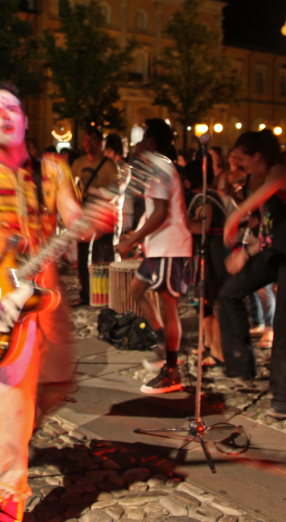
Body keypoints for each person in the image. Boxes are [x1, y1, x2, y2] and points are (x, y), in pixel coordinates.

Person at [0, 82, 104, 522]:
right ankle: (5, 501)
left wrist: (93, 219)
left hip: (47, 298)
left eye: (13, 107)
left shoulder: (53, 170)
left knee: (51, 390)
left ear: (27, 119)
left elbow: (73, 218)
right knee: (12, 402)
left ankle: (0, 448)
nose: (7, 115)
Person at [217, 129, 286, 419]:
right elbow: (266, 229)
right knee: (229, 292)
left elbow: (266, 198)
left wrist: (236, 216)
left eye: (242, 159)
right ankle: (242, 365)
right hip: (276, 252)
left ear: (257, 156)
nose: (240, 165)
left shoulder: (280, 172)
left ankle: (285, 399)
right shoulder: (258, 180)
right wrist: (245, 251)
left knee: (284, 322)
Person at [116, 119, 193, 394]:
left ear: (150, 143)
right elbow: (153, 212)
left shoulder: (159, 168)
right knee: (137, 290)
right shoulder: (158, 168)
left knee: (168, 308)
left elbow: (160, 214)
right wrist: (135, 237)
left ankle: (172, 371)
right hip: (157, 247)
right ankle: (164, 344)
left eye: (140, 138)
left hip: (169, 247)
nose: (136, 145)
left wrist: (131, 241)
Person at [184, 158, 225, 367]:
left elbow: (203, 226)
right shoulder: (207, 196)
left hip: (211, 256)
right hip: (209, 254)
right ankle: (207, 343)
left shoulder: (205, 200)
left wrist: (180, 220)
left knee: (210, 301)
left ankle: (217, 350)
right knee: (204, 303)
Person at [71, 128, 118, 306]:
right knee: (83, 257)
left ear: (100, 143)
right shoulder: (78, 163)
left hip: (103, 218)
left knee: (104, 256)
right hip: (83, 217)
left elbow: (116, 190)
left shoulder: (108, 165)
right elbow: (71, 187)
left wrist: (97, 193)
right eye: (85, 140)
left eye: (91, 140)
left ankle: (106, 293)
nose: (87, 144)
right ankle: (86, 293)